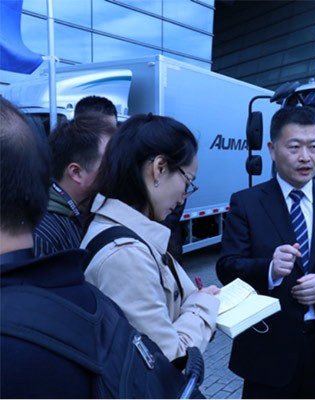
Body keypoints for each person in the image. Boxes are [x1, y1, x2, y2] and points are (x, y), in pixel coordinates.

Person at [216, 106, 315, 399]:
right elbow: (227, 266)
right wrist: (269, 269)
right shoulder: (247, 203)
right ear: (272, 150)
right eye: (295, 147)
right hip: (267, 347)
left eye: (314, 147)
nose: (306, 157)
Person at [81, 113, 220, 361]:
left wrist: (196, 300)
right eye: (188, 182)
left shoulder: (132, 234)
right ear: (159, 168)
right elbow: (170, 359)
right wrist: (204, 308)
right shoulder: (126, 255)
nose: (183, 198)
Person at [33, 113, 116, 256]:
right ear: (76, 172)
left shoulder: (83, 215)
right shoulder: (43, 234)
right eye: (110, 164)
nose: (117, 171)